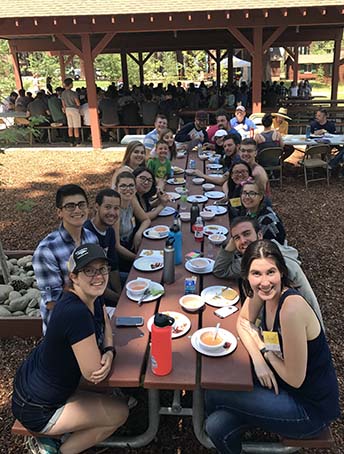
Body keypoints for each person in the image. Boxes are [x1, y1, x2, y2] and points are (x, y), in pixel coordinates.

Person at [206, 239, 339, 454]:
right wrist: (259, 362)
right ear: (247, 276)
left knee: (212, 393)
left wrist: (263, 351)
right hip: (281, 387)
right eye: (256, 273)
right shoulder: (263, 293)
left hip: (308, 409)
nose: (265, 282)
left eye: (271, 272)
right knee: (216, 425)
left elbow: (295, 378)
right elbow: (243, 321)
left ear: (281, 272)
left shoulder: (290, 309)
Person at [12, 243, 129, 454]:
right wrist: (108, 358)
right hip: (37, 407)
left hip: (33, 384)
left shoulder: (91, 293)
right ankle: (60, 450)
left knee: (116, 395)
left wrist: (109, 350)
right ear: (74, 277)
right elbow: (94, 374)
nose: (99, 276)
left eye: (102, 269)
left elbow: (106, 321)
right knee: (120, 412)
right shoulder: (76, 313)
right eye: (89, 270)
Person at [213, 216, 324, 327]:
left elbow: (308, 313)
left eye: (247, 234)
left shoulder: (275, 263)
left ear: (260, 235)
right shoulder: (252, 259)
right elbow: (220, 270)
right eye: (237, 238)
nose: (243, 240)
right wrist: (230, 247)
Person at [32, 184, 98, 333]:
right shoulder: (47, 251)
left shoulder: (91, 238)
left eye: (81, 205)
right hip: (64, 327)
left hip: (93, 315)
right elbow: (52, 302)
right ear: (59, 212)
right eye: (70, 206)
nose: (77, 210)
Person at [84, 189, 122, 305]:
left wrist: (120, 293)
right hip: (93, 291)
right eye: (107, 207)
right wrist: (118, 299)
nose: (112, 212)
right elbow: (92, 281)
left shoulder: (109, 231)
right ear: (97, 207)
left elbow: (113, 267)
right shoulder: (87, 236)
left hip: (106, 277)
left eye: (116, 208)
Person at [113, 171, 151, 272]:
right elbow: (117, 247)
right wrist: (138, 258)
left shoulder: (131, 200)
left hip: (131, 246)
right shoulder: (115, 210)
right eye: (123, 186)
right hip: (120, 258)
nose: (128, 189)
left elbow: (146, 219)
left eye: (131, 186)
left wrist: (138, 233)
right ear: (116, 188)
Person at [229, 178, 285, 245]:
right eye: (244, 193)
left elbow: (267, 248)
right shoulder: (250, 211)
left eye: (252, 193)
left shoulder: (267, 222)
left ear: (261, 196)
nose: (247, 197)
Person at [61, 77, 82, 146]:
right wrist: (79, 107)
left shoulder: (63, 93)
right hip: (74, 109)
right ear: (70, 84)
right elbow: (78, 103)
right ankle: (77, 142)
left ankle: (71, 142)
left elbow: (63, 103)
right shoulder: (73, 93)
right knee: (76, 126)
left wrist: (64, 109)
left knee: (70, 126)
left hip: (67, 109)